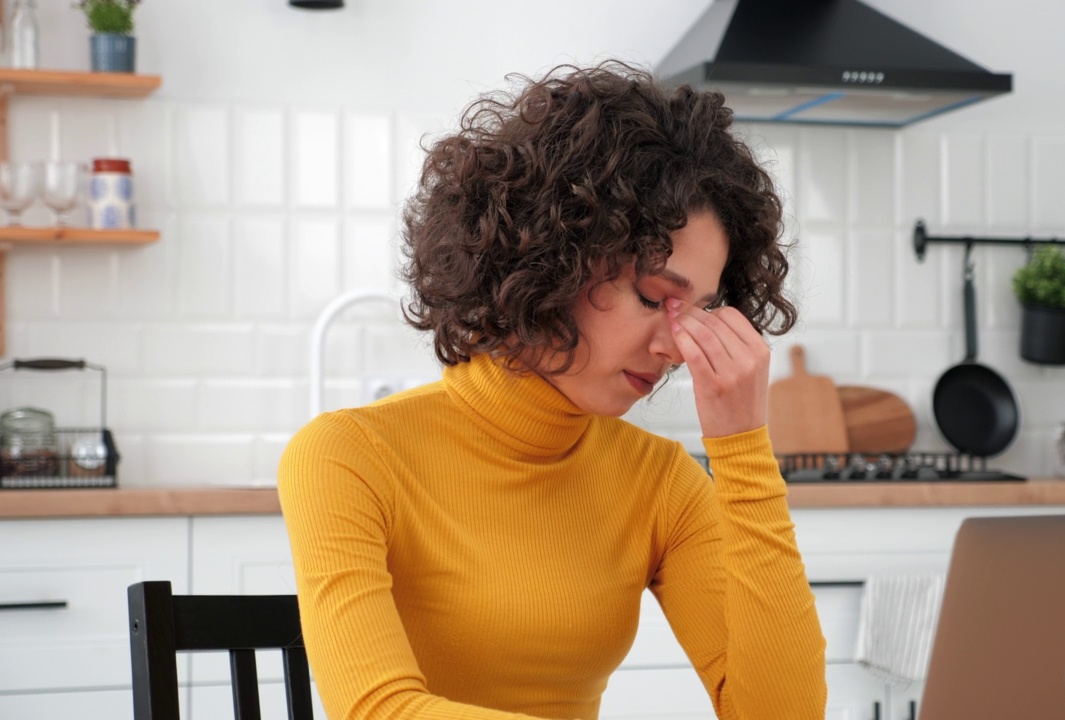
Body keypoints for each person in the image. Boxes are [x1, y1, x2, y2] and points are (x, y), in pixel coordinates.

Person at [278, 59, 827, 720]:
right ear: (549, 258)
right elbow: (378, 710)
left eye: (703, 312)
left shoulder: (660, 483)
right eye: (655, 296)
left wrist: (743, 448)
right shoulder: (347, 456)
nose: (679, 344)